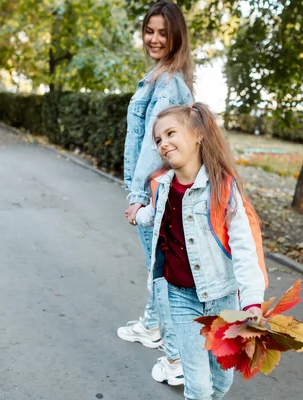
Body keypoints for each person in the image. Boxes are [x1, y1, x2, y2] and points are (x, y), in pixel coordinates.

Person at [133, 102, 268, 400]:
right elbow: (153, 214)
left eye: (171, 133)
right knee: (198, 385)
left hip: (223, 300)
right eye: (158, 139)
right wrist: (137, 213)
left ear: (197, 134)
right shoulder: (161, 184)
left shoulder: (222, 188)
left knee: (221, 382)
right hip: (180, 299)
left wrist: (252, 302)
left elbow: (244, 249)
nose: (164, 143)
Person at [119, 0, 194, 386]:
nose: (154, 38)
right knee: (156, 268)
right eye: (150, 30)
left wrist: (136, 194)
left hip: (151, 191)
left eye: (164, 32)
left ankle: (178, 359)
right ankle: (151, 326)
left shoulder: (167, 84)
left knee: (160, 274)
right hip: (153, 189)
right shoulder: (160, 76)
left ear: (176, 36)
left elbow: (155, 145)